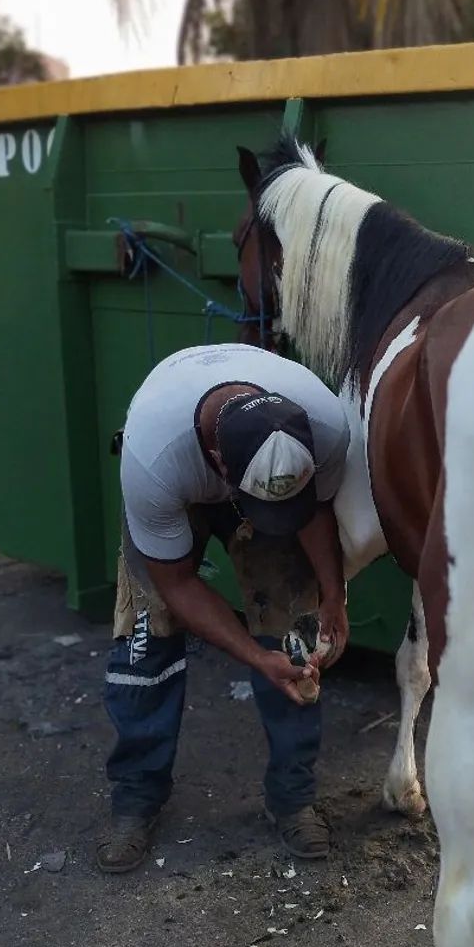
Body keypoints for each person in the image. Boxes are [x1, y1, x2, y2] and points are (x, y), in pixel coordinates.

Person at [97, 342, 350, 872]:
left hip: (260, 477)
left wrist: (333, 595)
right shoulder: (153, 460)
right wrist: (255, 658)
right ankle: (136, 797)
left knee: (297, 639)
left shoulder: (325, 424)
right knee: (146, 636)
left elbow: (317, 510)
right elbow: (177, 585)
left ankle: (292, 797)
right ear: (217, 461)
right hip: (176, 482)